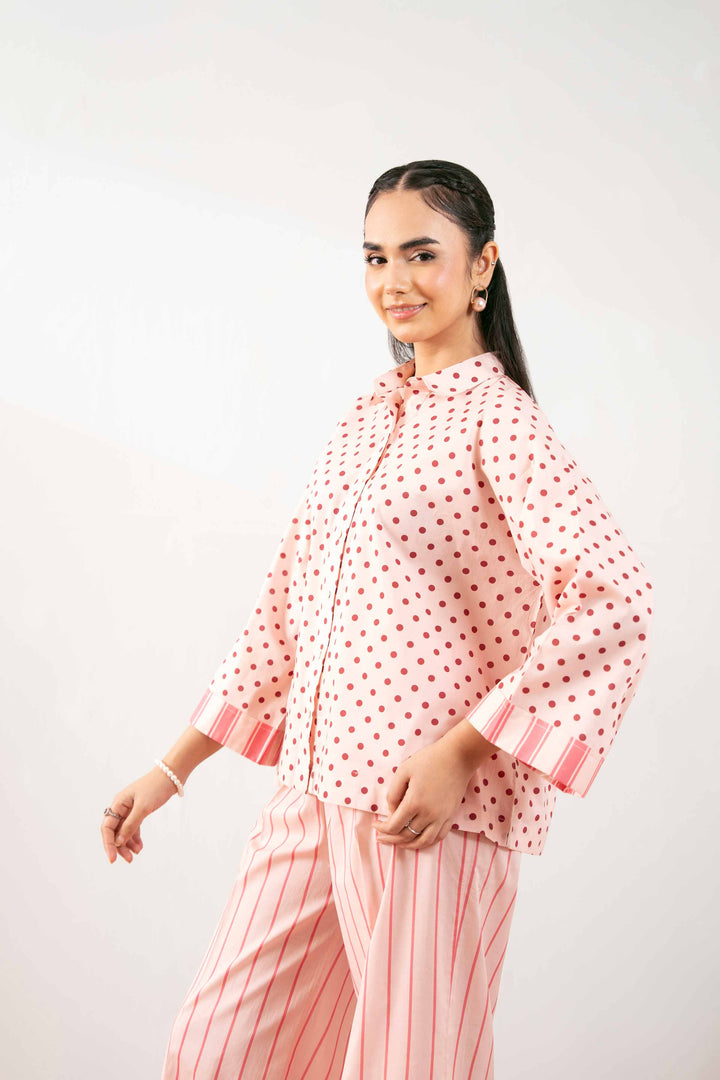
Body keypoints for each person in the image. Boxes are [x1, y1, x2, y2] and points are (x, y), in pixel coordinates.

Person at [101, 159, 654, 1079]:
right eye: (375, 257)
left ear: (482, 267)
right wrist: (172, 768)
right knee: (213, 1053)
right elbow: (285, 608)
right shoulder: (367, 416)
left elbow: (613, 597)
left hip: (420, 812)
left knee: (412, 1065)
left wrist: (460, 754)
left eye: (422, 254)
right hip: (311, 794)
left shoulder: (501, 423)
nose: (394, 281)